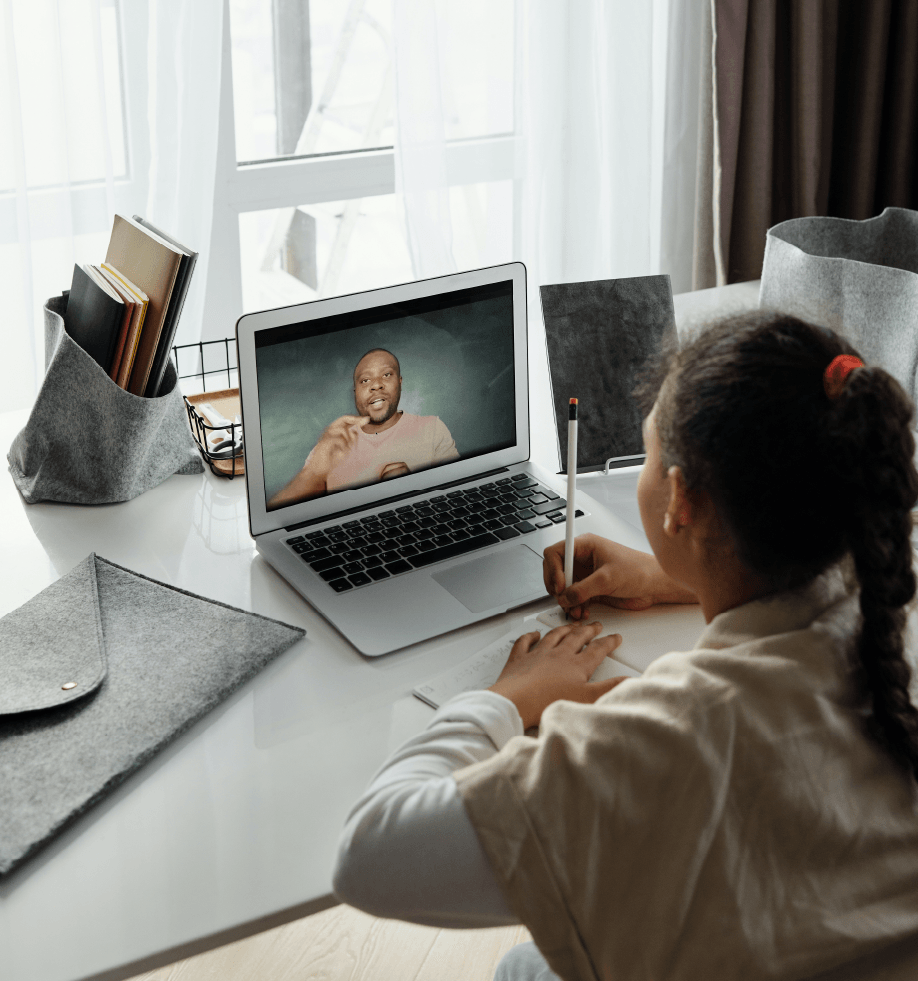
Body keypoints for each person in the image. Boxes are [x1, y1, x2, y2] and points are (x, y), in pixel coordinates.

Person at [333, 312, 918, 980]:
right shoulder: (896, 579)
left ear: (679, 502)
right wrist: (677, 573)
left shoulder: (663, 739)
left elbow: (368, 853)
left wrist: (507, 697)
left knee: (520, 971)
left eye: (648, 453)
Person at [268, 348, 459, 507]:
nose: (376, 385)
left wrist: (408, 489)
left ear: (400, 383)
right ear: (355, 392)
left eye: (386, 375)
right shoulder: (333, 444)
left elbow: (457, 501)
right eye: (365, 380)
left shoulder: (433, 429)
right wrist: (313, 473)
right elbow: (281, 519)